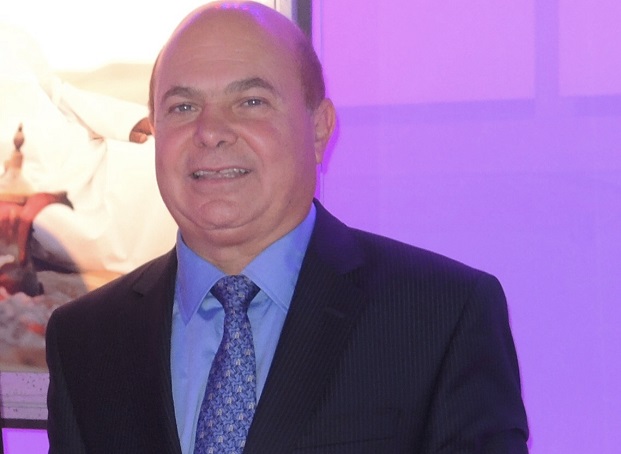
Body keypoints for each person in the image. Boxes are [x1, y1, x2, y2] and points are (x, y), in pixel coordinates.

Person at [45, 1, 529, 453]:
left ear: (319, 129)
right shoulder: (84, 339)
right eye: (183, 107)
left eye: (250, 101)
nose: (210, 131)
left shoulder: (441, 315)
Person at [0, 22, 176, 275]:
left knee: (167, 159)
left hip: (80, 155)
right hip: (27, 187)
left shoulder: (9, 34)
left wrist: (127, 121)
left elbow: (57, 93)